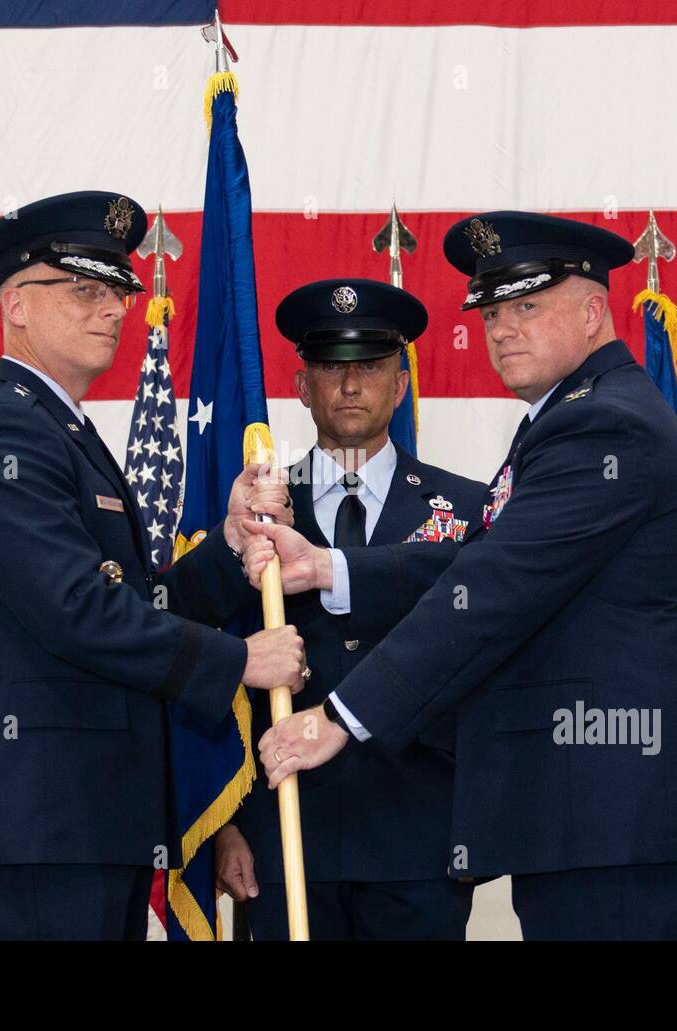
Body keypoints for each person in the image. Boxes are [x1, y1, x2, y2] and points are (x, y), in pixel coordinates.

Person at [245, 212, 677, 941]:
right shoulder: (568, 418)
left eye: (526, 306)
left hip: (613, 809)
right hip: (586, 812)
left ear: (593, 313)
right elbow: (481, 560)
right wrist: (330, 566)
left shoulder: (603, 426)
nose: (502, 329)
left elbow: (489, 591)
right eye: (491, 313)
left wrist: (339, 718)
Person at [0, 191, 305, 940]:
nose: (115, 309)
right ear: (17, 305)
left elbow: (140, 597)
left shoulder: (60, 431)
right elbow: (77, 610)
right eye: (85, 289)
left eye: (119, 291)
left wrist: (226, 548)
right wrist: (238, 660)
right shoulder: (5, 433)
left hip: (90, 813)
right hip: (43, 819)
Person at [215, 279, 487, 940]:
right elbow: (215, 668)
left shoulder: (468, 512)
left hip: (420, 838)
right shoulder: (252, 510)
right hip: (285, 831)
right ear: (303, 386)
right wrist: (224, 822)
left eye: (370, 366)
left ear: (400, 385)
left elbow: (480, 658)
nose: (350, 384)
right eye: (332, 367)